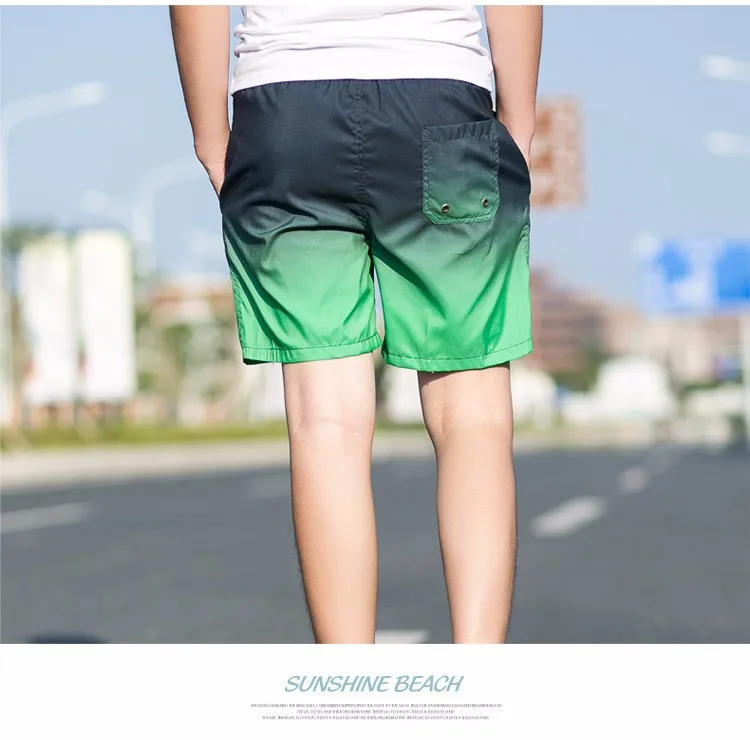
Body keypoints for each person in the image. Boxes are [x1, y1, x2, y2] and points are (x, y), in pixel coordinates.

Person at [169, 5, 542, 644]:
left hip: (283, 115)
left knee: (325, 424)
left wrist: (210, 135)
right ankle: (479, 675)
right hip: (443, 98)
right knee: (473, 413)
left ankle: (347, 683)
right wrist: (519, 118)